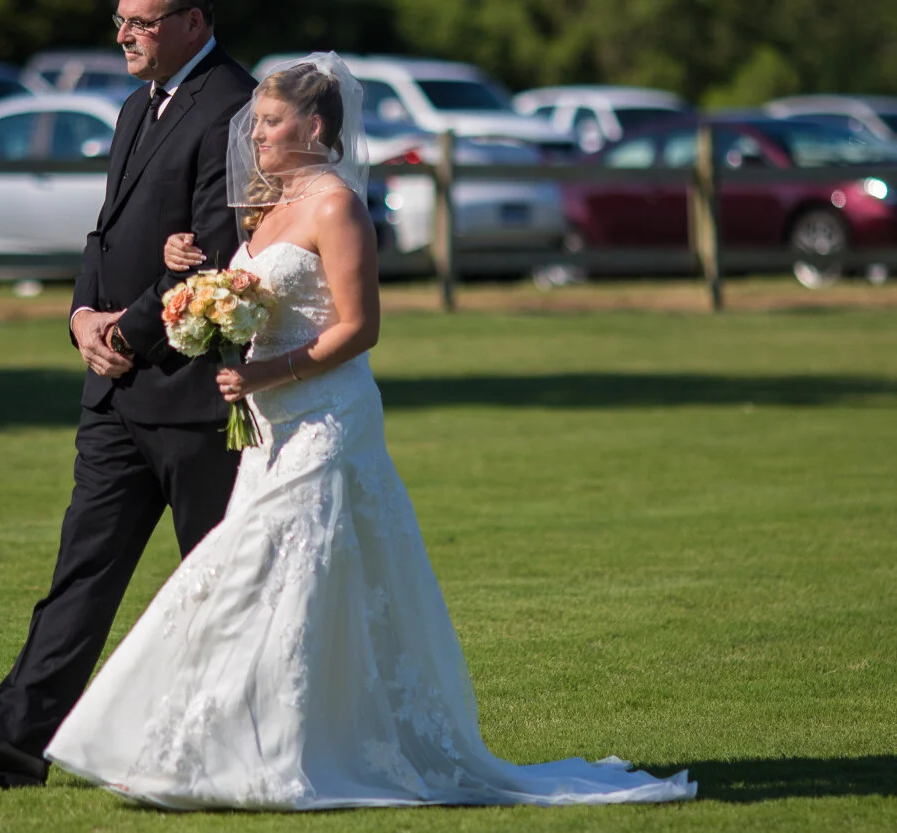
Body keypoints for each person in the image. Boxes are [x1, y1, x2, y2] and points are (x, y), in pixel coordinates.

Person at [43, 53, 698, 809]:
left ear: (316, 128)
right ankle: (218, 747)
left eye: (272, 122)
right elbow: (242, 289)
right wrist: (184, 266)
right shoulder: (267, 206)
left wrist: (267, 373)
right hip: (269, 428)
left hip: (326, 416)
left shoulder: (336, 207)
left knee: (272, 574)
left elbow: (359, 328)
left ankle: (272, 757)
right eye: (255, 124)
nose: (256, 136)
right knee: (262, 580)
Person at [0, 0, 256, 788]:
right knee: (81, 572)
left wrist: (126, 333)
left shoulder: (235, 106)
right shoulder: (136, 105)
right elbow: (105, 235)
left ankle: (232, 751)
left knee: (217, 582)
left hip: (195, 398)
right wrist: (80, 317)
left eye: (142, 21)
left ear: (195, 20)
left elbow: (215, 251)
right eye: (119, 18)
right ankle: (14, 739)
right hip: (114, 395)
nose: (123, 34)